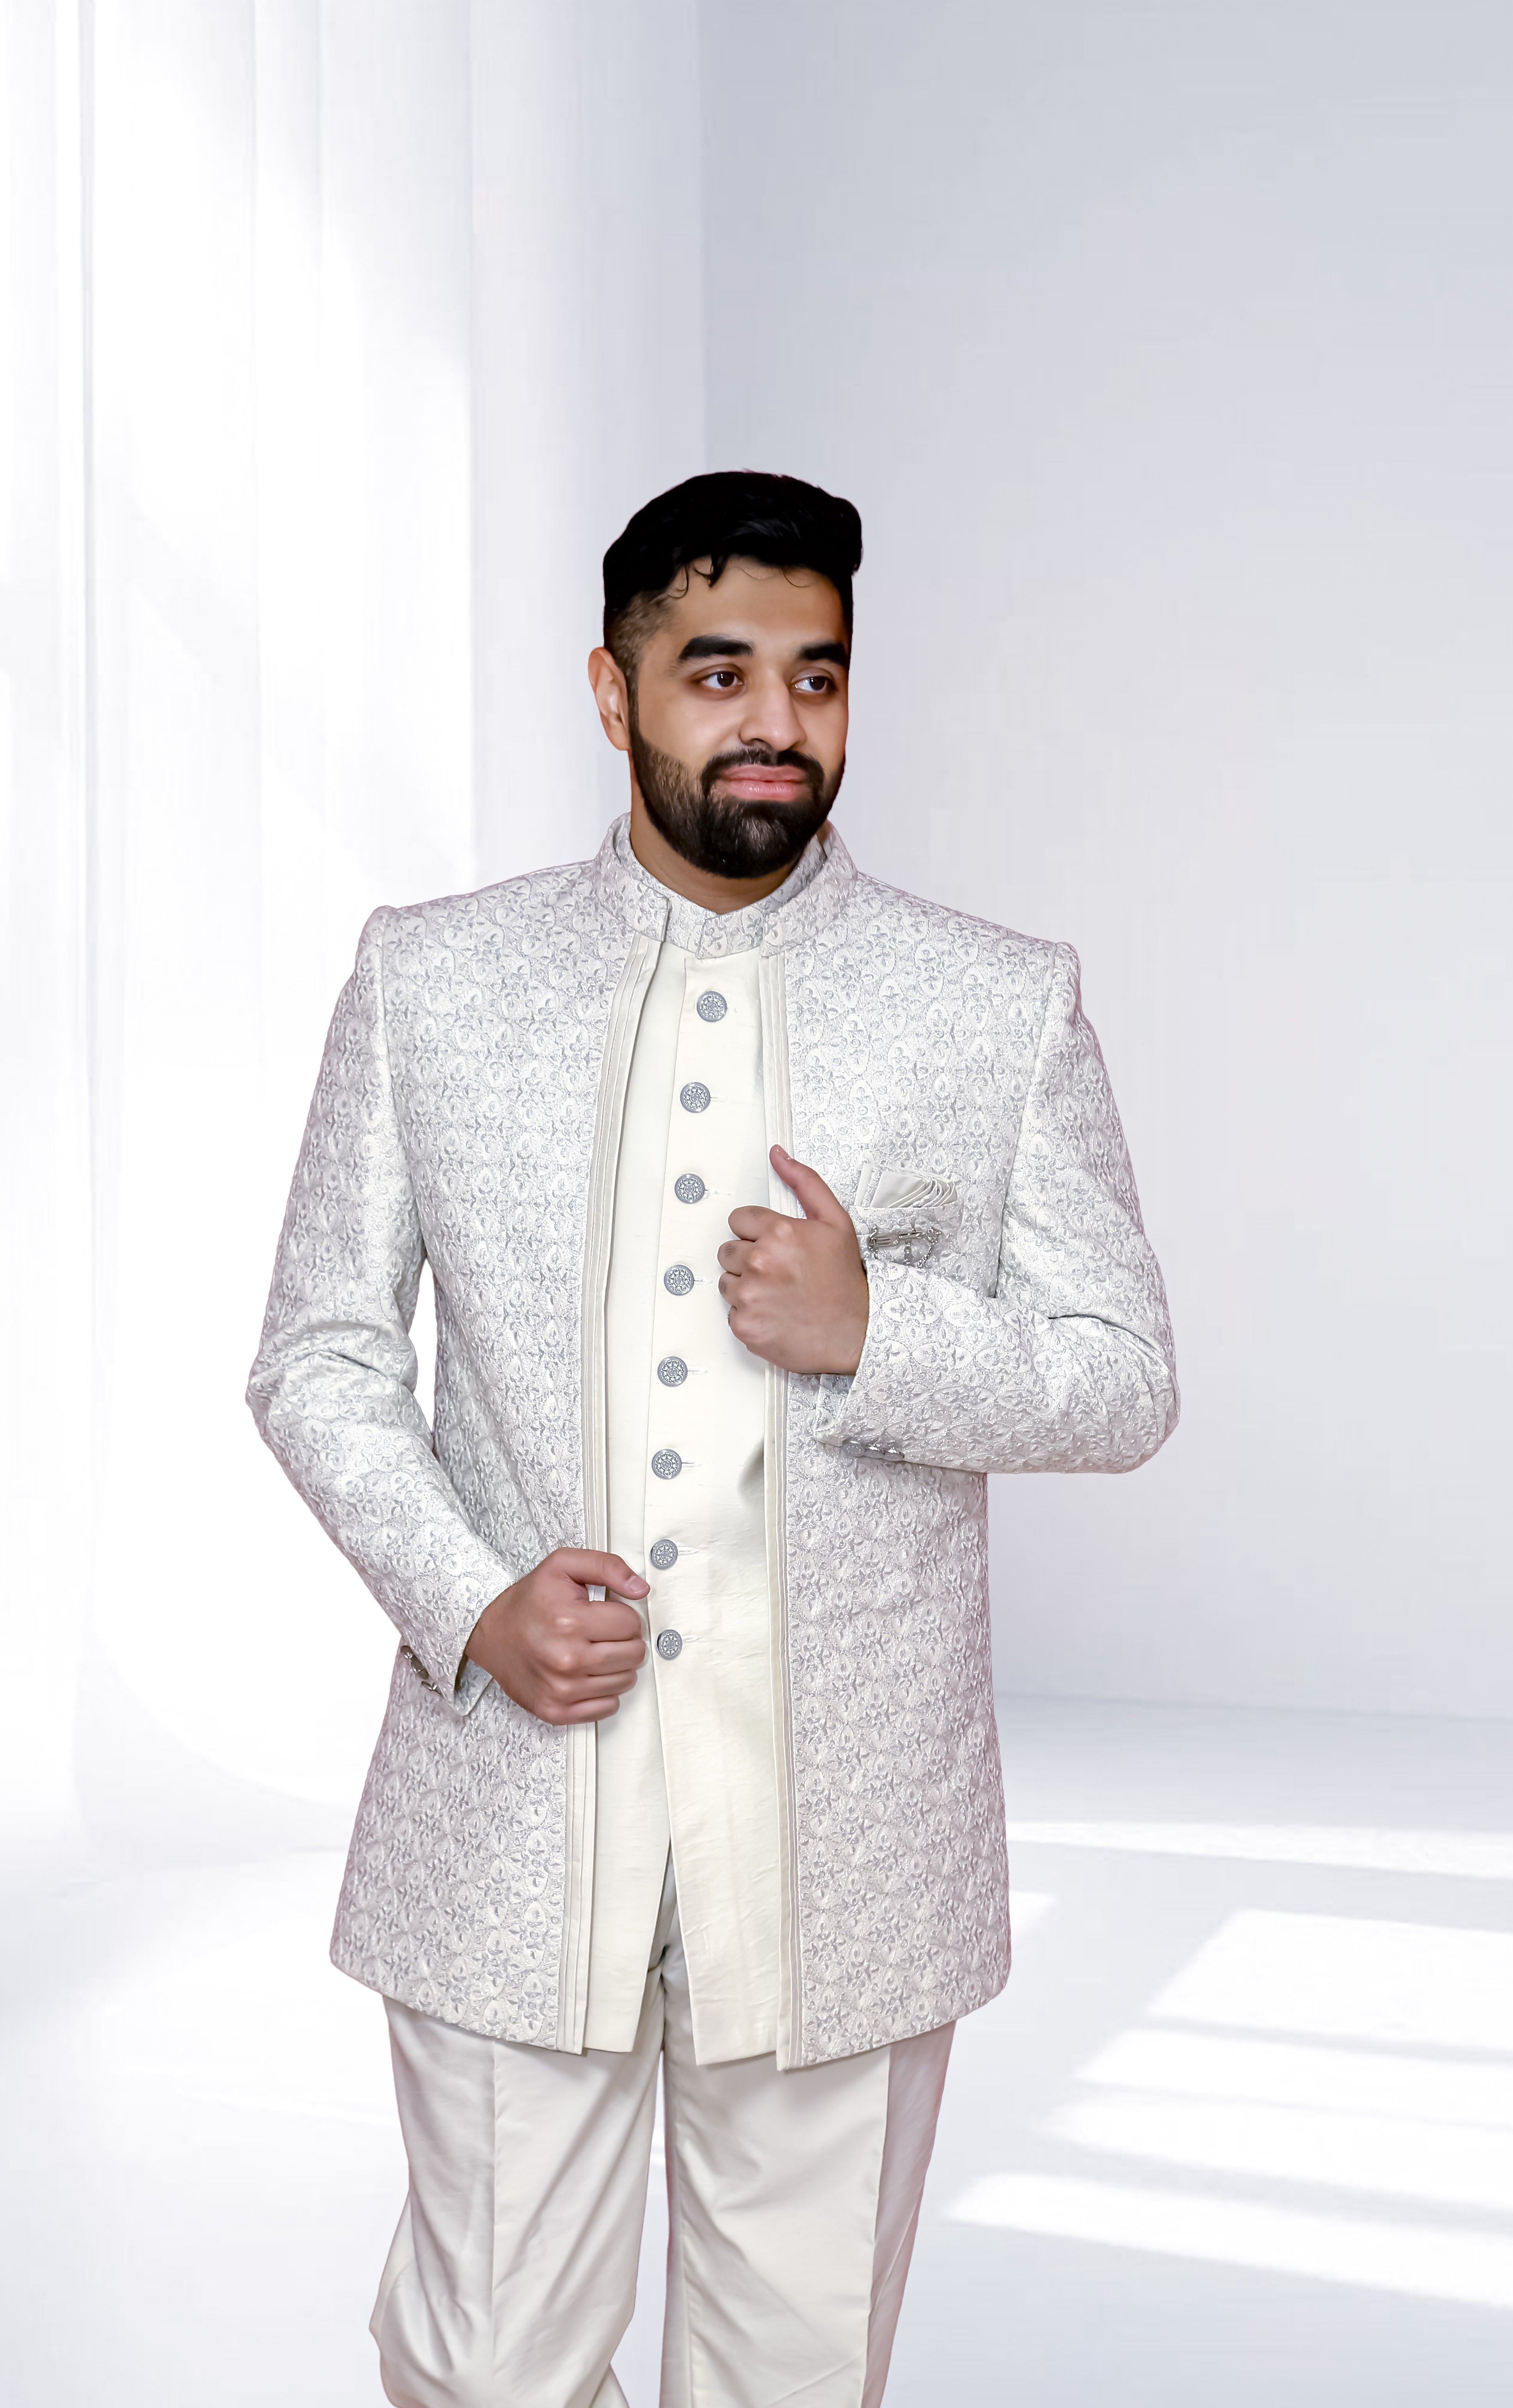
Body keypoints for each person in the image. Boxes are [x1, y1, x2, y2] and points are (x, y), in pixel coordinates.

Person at [247, 470, 1178, 2407]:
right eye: (720, 671)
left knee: (792, 2383)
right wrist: (470, 1600)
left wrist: (877, 1332)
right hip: (517, 1805)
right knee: (485, 2369)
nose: (777, 720)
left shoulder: (995, 1002)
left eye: (817, 676)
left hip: (849, 1841)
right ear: (615, 692)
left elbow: (1123, 1378)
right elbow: (320, 1355)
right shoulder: (433, 978)